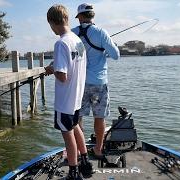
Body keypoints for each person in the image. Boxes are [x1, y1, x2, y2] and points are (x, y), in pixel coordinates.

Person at [45, 4, 93, 179]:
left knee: (68, 136)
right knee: (76, 127)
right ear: (66, 19)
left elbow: (63, 76)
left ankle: (73, 172)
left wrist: (52, 70)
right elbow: (76, 65)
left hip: (65, 101)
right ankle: (86, 162)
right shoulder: (78, 41)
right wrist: (57, 66)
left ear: (52, 22)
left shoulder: (60, 43)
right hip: (77, 98)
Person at [72, 3, 120, 159]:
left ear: (80, 17)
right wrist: (107, 47)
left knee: (77, 118)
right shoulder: (101, 33)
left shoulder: (72, 33)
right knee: (99, 117)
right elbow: (116, 55)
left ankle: (79, 150)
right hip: (98, 83)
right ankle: (98, 149)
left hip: (79, 83)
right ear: (92, 15)